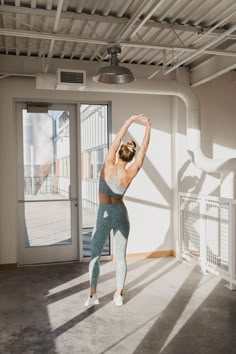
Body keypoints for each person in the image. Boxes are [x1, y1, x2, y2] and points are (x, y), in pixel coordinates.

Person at [84, 114, 151, 307]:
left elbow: (116, 140)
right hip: (120, 213)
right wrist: (148, 128)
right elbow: (143, 151)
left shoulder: (107, 165)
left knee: (95, 256)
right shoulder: (131, 171)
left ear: (119, 152)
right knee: (120, 258)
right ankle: (118, 295)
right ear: (129, 157)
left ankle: (92, 295)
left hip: (104, 213)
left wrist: (129, 121)